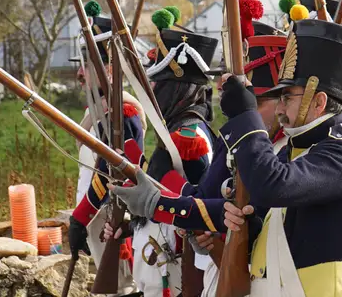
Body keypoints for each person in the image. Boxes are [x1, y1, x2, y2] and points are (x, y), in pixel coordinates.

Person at [108, 17, 289, 297]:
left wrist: (160, 181)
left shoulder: (192, 137)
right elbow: (205, 199)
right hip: (211, 263)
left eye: (259, 102)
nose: (154, 91)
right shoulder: (235, 141)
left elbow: (202, 201)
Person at [222, 19, 342, 296]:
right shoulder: (297, 147)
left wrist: (246, 118)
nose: (280, 108)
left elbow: (274, 186)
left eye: (287, 97)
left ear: (318, 102)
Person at [126, 7, 220, 296]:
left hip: (176, 271)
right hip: (158, 268)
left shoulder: (189, 139)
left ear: (180, 90)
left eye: (160, 85)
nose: (153, 92)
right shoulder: (177, 133)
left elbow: (194, 204)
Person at [68, 11, 146, 292]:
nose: (79, 73)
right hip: (96, 222)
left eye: (87, 65)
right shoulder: (99, 111)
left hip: (114, 221)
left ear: (109, 68)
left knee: (122, 289)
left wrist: (81, 215)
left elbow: (118, 172)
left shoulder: (124, 112)